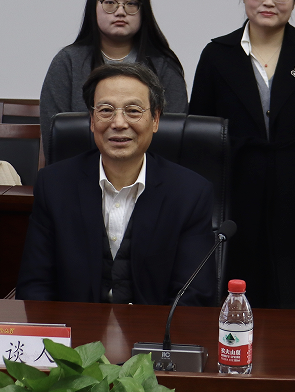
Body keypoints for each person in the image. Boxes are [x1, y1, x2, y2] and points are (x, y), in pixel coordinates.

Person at [189, 0, 295, 309]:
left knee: (292, 293)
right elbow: (201, 140)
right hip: (235, 197)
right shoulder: (217, 55)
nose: (269, 1)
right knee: (236, 292)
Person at [17, 62, 217, 305]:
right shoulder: (54, 185)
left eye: (133, 111)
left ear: (155, 119)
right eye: (106, 110)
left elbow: (194, 297)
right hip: (76, 328)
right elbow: (35, 287)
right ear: (92, 120)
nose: (119, 123)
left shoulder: (190, 193)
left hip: (155, 329)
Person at [40, 0, 187, 158]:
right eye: (109, 2)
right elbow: (56, 141)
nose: (120, 11)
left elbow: (173, 140)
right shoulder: (68, 63)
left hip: (151, 174)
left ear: (143, 9)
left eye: (131, 3)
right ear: (93, 7)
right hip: (80, 173)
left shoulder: (164, 66)